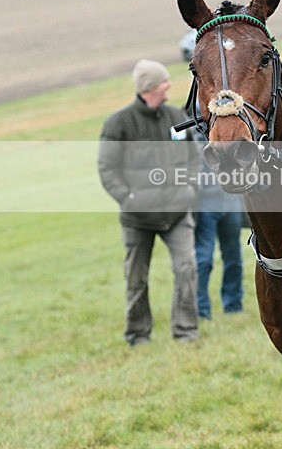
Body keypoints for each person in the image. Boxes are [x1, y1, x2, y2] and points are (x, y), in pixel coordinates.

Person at [98, 59, 199, 345]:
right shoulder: (119, 124)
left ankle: (186, 332)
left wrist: (188, 187)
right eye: (164, 83)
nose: (169, 87)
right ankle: (138, 334)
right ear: (150, 87)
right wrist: (128, 199)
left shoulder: (175, 116)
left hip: (178, 212)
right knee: (136, 278)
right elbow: (108, 169)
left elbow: (194, 158)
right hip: (137, 218)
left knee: (186, 269)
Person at [194, 150, 245, 320]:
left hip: (232, 204)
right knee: (204, 259)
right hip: (205, 205)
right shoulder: (194, 133)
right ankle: (201, 310)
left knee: (234, 258)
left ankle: (233, 304)